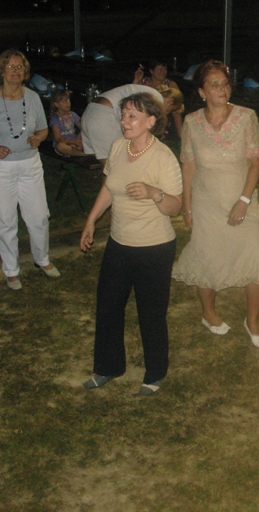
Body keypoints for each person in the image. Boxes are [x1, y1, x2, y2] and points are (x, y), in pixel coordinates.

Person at [80, 92, 183, 396]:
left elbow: (175, 207)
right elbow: (109, 188)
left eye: (132, 116)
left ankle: (155, 372)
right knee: (108, 307)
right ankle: (107, 367)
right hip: (119, 243)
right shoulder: (117, 147)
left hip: (155, 247)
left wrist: (154, 193)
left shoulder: (163, 157)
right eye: (123, 115)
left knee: (151, 313)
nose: (124, 121)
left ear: (151, 121)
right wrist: (91, 220)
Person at [172, 61, 259, 347]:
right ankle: (209, 313)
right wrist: (187, 207)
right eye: (214, 85)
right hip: (206, 202)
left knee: (257, 259)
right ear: (202, 92)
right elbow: (188, 166)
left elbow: (256, 163)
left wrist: (244, 200)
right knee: (208, 258)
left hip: (243, 199)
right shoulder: (191, 122)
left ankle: (252, 320)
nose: (222, 89)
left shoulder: (246, 117)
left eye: (225, 83)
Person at [0, 49, 59, 290]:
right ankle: (11, 270)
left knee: (39, 216)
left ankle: (42, 259)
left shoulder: (33, 97)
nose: (16, 71)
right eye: (11, 67)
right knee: (5, 220)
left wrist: (38, 138)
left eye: (20, 67)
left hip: (30, 165)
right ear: (1, 71)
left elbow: (43, 129)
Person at [81, 84, 164, 162]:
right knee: (113, 161)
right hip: (104, 113)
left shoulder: (141, 89)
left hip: (90, 109)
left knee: (107, 158)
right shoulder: (157, 98)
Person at [49, 89, 89, 157]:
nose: (68, 103)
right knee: (60, 146)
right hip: (64, 143)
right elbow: (57, 138)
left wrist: (77, 139)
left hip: (74, 141)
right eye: (64, 101)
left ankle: (76, 151)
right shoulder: (55, 119)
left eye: (68, 100)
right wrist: (72, 142)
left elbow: (82, 128)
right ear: (56, 104)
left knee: (85, 132)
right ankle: (83, 154)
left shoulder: (72, 114)